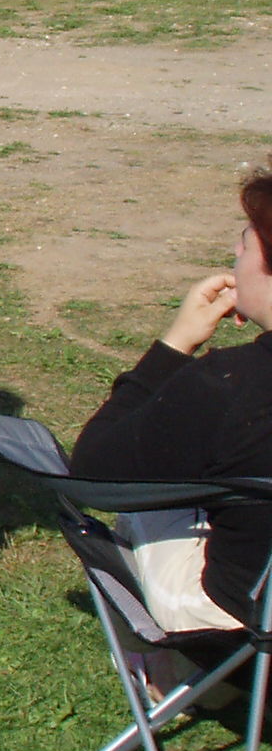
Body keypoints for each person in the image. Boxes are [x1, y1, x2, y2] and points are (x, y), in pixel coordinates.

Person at [71, 159, 272, 631]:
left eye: (244, 244)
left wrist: (174, 345)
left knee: (150, 509)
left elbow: (95, 476)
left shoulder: (233, 384)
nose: (234, 254)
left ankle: (177, 676)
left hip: (246, 610)